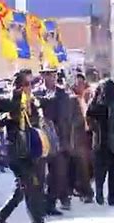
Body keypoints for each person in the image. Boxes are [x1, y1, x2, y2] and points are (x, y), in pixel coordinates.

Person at [0, 70, 49, 223]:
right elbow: (2, 121)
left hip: (30, 150)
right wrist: (10, 116)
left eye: (31, 84)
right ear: (20, 87)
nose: (31, 87)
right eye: (27, 84)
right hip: (16, 152)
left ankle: (0, 220)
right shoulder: (13, 102)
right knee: (29, 184)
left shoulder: (32, 102)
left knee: (24, 188)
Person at [36, 66, 73, 213]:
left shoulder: (62, 93)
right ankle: (42, 204)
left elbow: (66, 118)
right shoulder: (36, 93)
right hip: (42, 138)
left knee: (58, 173)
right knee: (40, 174)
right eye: (47, 74)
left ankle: (50, 203)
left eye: (52, 74)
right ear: (42, 76)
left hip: (59, 138)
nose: (50, 77)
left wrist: (67, 140)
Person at [87, 79, 114, 206]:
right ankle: (111, 196)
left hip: (100, 140)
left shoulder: (96, 104)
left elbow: (89, 118)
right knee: (113, 170)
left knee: (100, 170)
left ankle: (100, 193)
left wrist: (95, 129)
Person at [69, 72, 94, 203]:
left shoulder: (90, 95)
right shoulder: (72, 98)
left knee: (87, 165)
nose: (79, 85)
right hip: (77, 134)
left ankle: (83, 189)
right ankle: (85, 191)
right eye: (76, 83)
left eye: (81, 82)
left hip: (89, 134)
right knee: (81, 165)